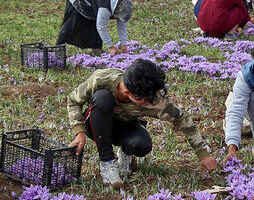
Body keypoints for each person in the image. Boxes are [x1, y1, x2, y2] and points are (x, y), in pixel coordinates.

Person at [67, 58, 218, 187]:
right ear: (128, 93)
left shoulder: (154, 98)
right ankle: (107, 162)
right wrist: (79, 132)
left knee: (142, 145)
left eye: (152, 98)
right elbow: (73, 100)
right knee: (102, 98)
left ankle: (126, 152)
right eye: (143, 100)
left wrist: (203, 154)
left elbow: (182, 120)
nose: (148, 103)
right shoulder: (102, 79)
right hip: (96, 124)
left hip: (126, 126)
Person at [56, 0, 133, 53]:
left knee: (94, 18)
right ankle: (58, 47)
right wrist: (111, 47)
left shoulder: (123, 3)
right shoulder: (105, 7)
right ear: (115, 10)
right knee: (72, 21)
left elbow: (122, 24)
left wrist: (124, 45)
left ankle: (96, 48)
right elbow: (101, 27)